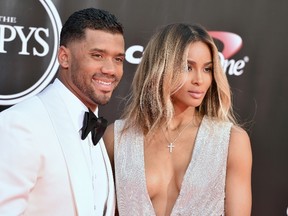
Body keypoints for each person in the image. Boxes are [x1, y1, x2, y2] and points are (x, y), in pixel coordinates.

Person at [103, 23, 252, 216]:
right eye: (187, 67)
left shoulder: (231, 141)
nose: (199, 79)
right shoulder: (117, 138)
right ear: (160, 68)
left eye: (207, 69)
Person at [0, 8, 125, 216]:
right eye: (97, 55)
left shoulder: (97, 133)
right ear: (64, 57)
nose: (110, 69)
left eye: (118, 59)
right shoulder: (20, 124)